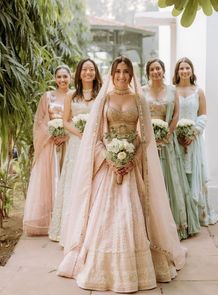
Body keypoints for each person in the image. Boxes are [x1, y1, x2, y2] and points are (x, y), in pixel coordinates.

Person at [56, 56, 186, 293]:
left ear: (131, 75)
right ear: (112, 74)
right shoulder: (104, 100)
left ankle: (136, 269)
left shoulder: (139, 100)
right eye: (118, 72)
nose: (122, 76)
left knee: (132, 214)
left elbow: (144, 137)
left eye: (126, 72)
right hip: (108, 165)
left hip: (132, 164)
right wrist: (112, 159)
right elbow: (95, 136)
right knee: (104, 218)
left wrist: (129, 159)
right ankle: (100, 268)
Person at [142, 58, 200, 239]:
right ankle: (151, 226)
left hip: (168, 140)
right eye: (152, 69)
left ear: (163, 70)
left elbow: (176, 114)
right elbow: (140, 115)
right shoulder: (142, 91)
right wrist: (150, 137)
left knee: (171, 179)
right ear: (148, 72)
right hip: (149, 141)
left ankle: (176, 225)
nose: (155, 72)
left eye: (158, 69)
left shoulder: (172, 90)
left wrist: (167, 134)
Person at [49, 58, 102, 244]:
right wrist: (80, 132)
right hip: (77, 143)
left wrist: (93, 132)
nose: (88, 72)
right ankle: (70, 229)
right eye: (84, 69)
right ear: (79, 73)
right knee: (74, 183)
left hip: (96, 143)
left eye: (91, 69)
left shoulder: (102, 94)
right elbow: (65, 121)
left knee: (94, 182)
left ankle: (91, 229)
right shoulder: (72, 95)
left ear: (95, 72)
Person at [23, 65, 73, 236]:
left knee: (67, 179)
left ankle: (64, 221)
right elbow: (39, 121)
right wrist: (51, 135)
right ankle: (49, 221)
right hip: (49, 145)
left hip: (68, 143)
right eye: (59, 77)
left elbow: (75, 120)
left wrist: (65, 136)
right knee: (50, 180)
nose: (62, 80)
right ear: (54, 78)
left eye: (65, 77)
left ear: (70, 77)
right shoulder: (47, 96)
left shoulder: (74, 96)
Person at [173, 57, 218, 226]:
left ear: (192, 71)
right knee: (178, 174)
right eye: (181, 68)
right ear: (177, 72)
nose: (184, 71)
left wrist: (193, 134)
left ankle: (199, 214)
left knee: (194, 174)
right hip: (176, 139)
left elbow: (203, 116)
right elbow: (171, 114)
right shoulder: (172, 90)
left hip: (194, 139)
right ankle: (182, 214)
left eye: (187, 68)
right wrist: (178, 134)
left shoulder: (198, 91)